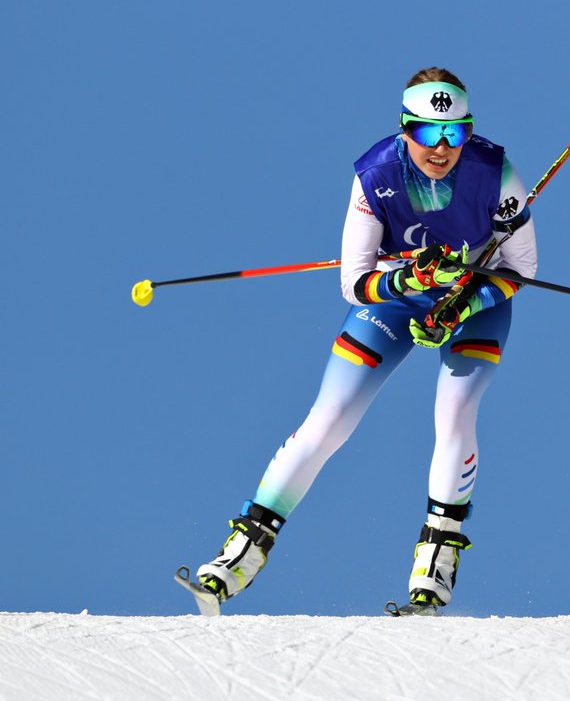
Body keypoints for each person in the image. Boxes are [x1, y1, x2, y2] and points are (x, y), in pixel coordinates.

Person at [188, 67, 537, 612]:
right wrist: (411, 281)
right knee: (329, 420)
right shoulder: (375, 175)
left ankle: (437, 560)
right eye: (426, 133)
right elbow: (353, 283)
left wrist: (461, 304)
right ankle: (243, 551)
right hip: (393, 302)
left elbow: (522, 269)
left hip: (474, 302)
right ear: (405, 130)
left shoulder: (497, 172)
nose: (442, 148)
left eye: (455, 133)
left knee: (455, 413)